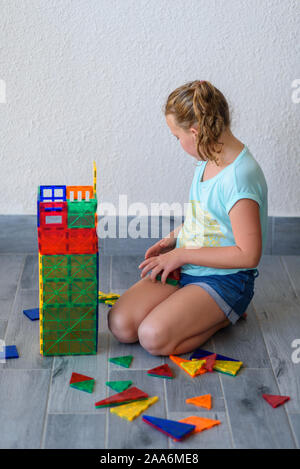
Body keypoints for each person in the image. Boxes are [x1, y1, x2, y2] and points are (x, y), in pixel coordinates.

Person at [108, 80, 268, 356]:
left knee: (152, 337)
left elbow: (248, 255)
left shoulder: (239, 179)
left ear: (194, 133)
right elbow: (205, 218)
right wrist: (173, 241)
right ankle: (194, 308)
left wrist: (182, 256)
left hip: (225, 279)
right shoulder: (208, 158)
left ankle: (226, 313)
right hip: (189, 264)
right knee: (121, 325)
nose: (177, 142)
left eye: (176, 136)